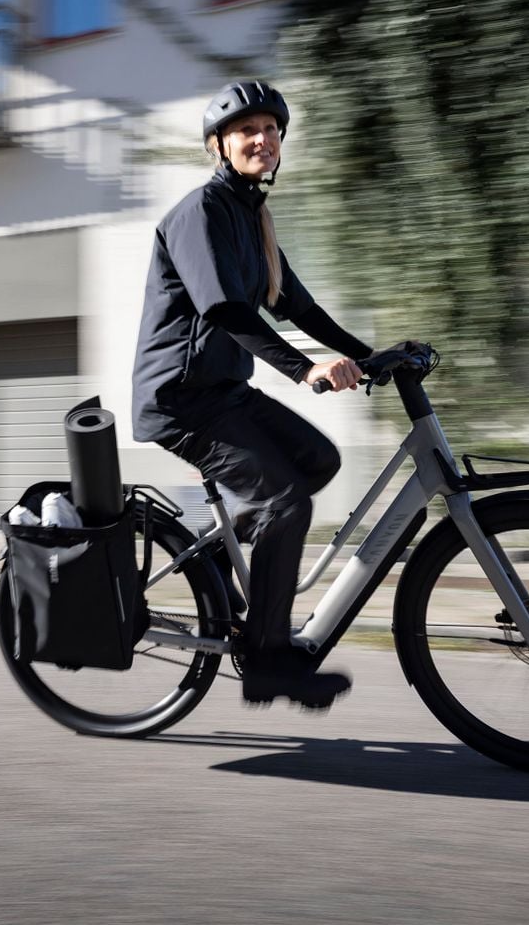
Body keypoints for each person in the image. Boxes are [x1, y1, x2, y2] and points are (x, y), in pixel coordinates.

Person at [131, 80, 372, 709]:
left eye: (270, 129)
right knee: (286, 504)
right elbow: (223, 311)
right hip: (182, 400)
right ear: (220, 145)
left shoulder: (252, 217)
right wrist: (303, 371)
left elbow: (299, 306)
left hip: (225, 392)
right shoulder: (199, 212)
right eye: (246, 131)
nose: (261, 139)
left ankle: (211, 566)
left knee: (319, 461)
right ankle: (268, 662)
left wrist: (374, 357)